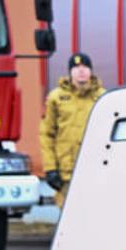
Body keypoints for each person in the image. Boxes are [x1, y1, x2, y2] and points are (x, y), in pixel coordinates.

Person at [40, 52, 103, 207]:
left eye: (85, 67)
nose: (81, 71)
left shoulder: (103, 97)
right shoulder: (56, 97)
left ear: (91, 71)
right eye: (76, 67)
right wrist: (50, 168)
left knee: (96, 211)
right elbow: (47, 134)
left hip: (96, 168)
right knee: (69, 214)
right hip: (66, 171)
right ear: (70, 72)